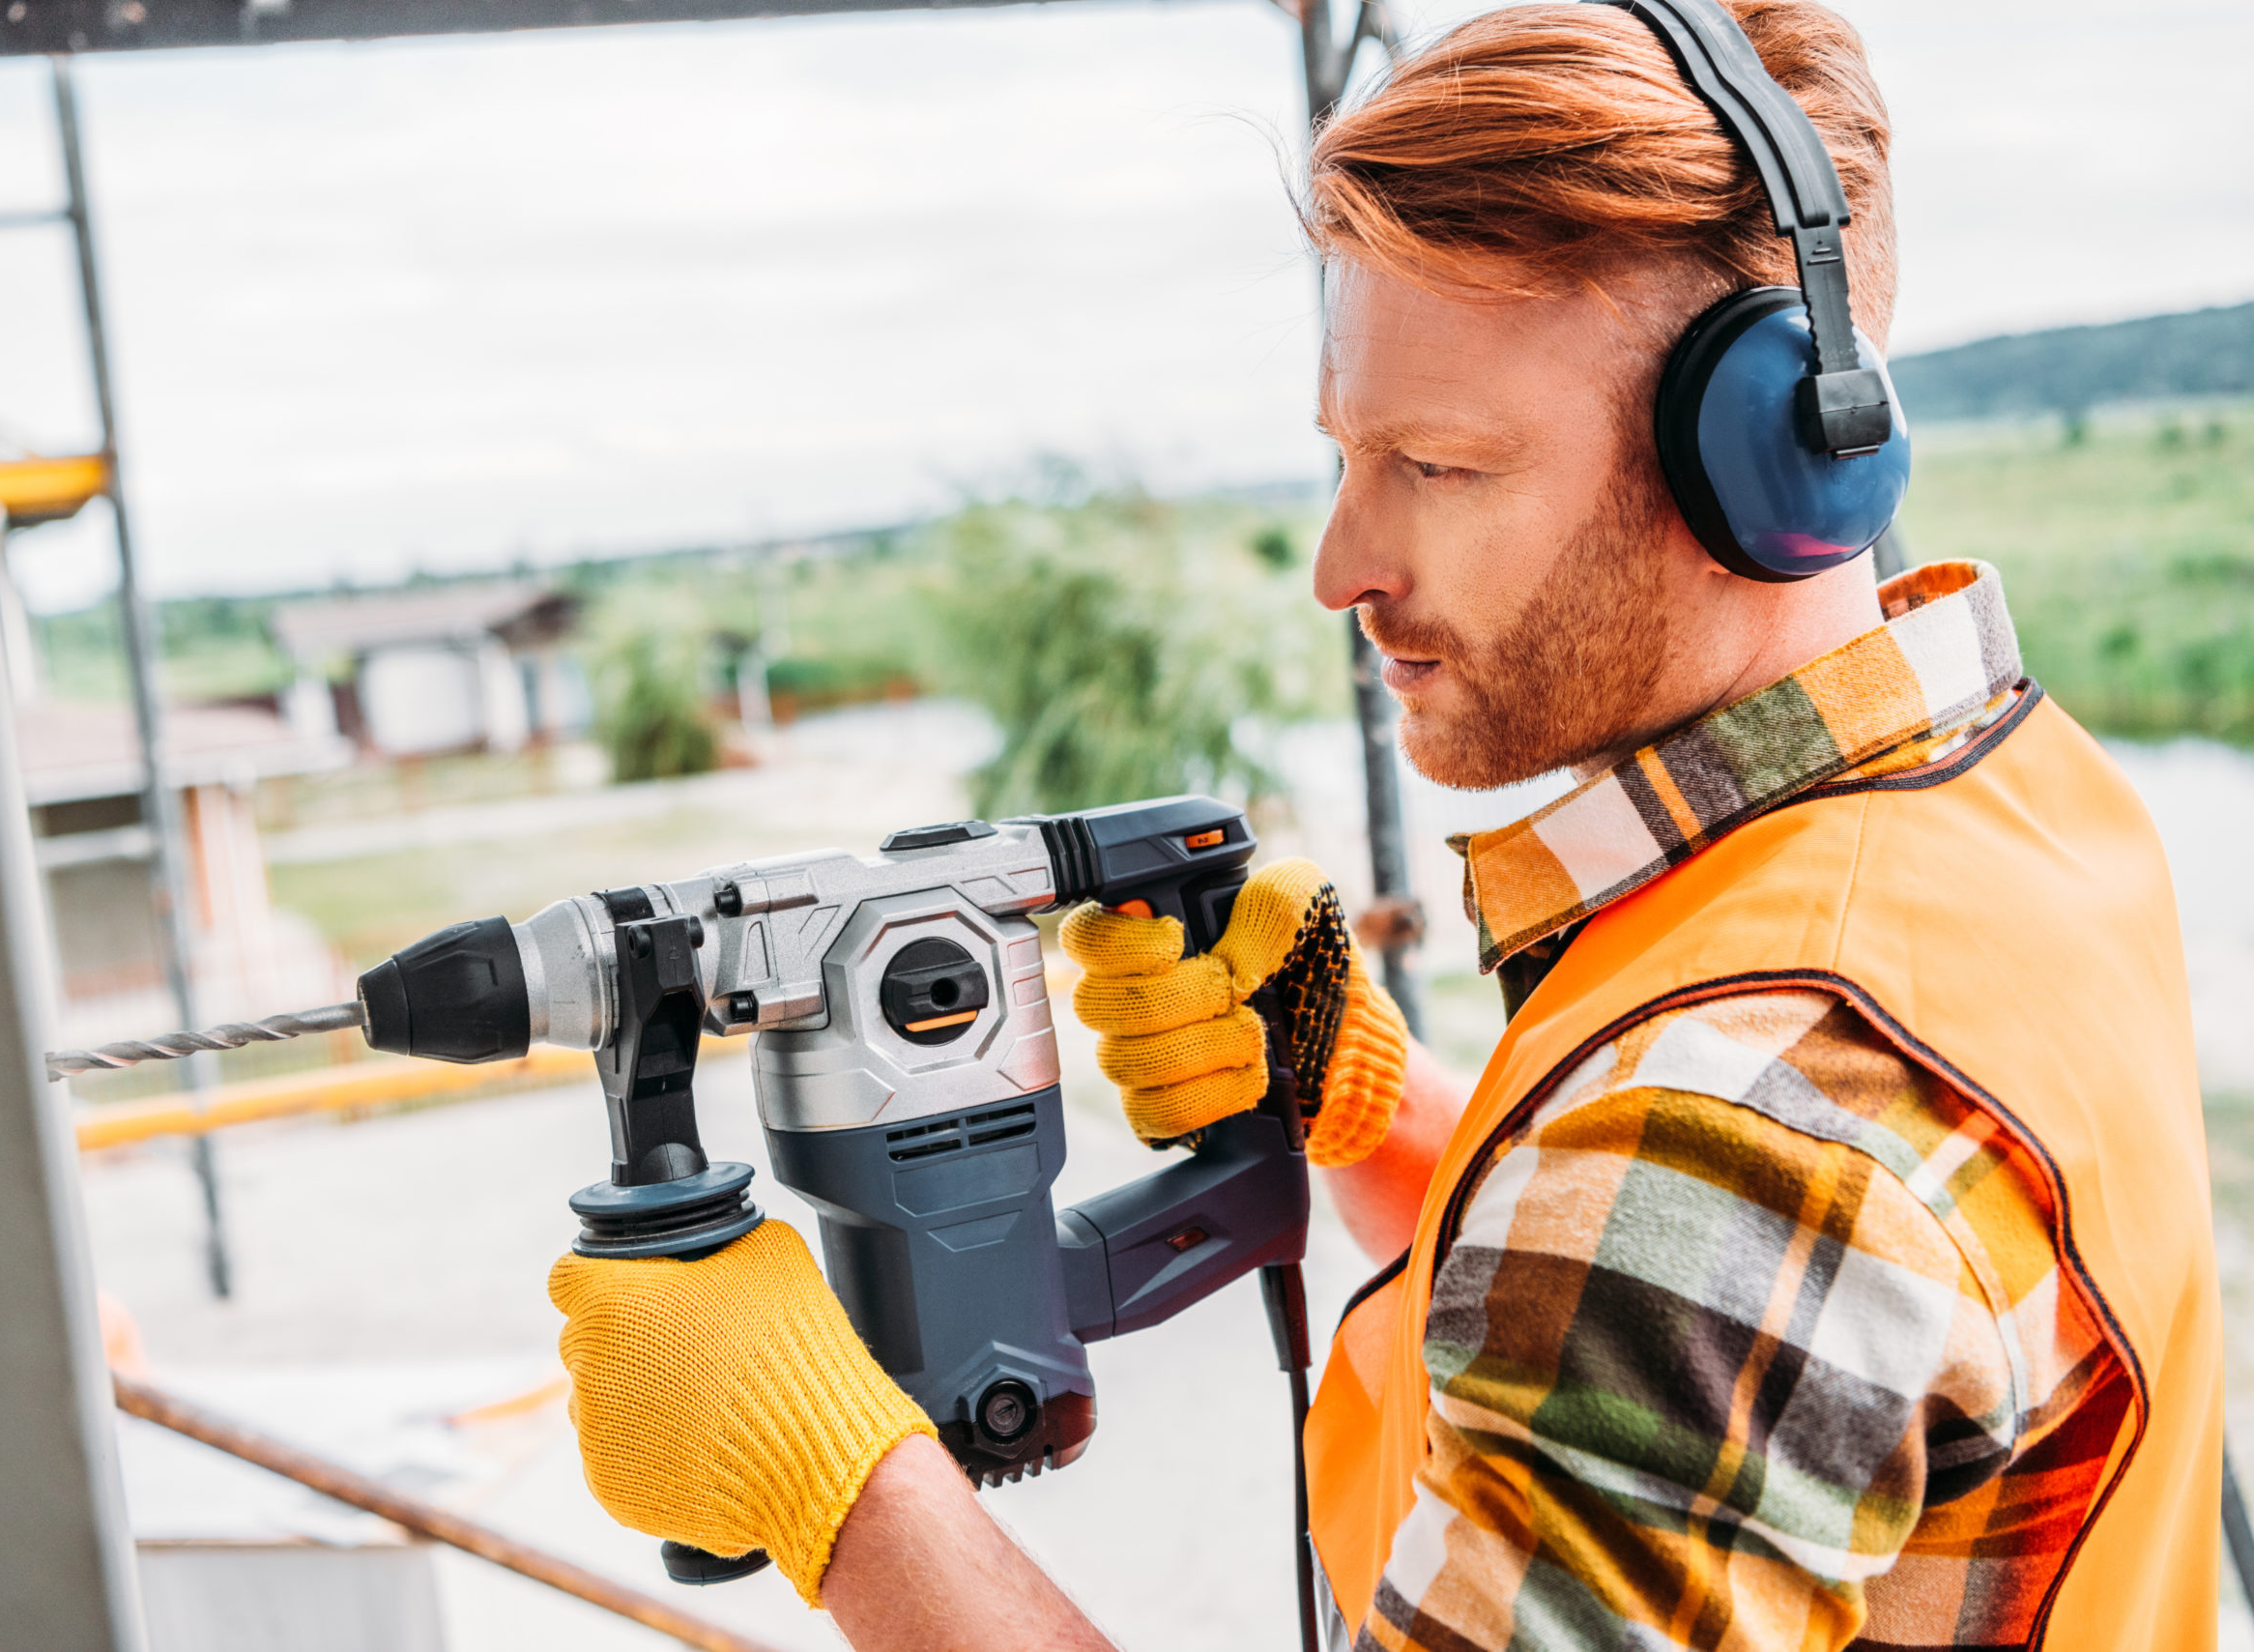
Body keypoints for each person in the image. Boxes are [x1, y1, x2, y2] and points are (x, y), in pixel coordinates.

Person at [544, 3, 2221, 1647]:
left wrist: (842, 1491)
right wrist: (1390, 1113)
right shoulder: (2017, 803)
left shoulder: (1716, 1138)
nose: (1345, 565)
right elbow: (1791, 1373)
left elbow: (1709, 1212)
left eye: (1442, 464)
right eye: (1350, 453)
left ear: (1781, 467)